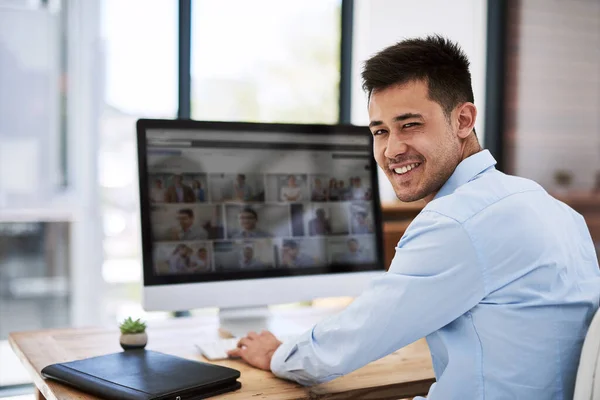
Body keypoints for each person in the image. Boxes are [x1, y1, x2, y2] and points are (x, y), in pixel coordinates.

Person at [226, 35, 600, 399]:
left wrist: (277, 354)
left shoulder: (457, 222)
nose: (392, 149)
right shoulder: (554, 209)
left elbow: (348, 343)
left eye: (410, 125)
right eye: (380, 131)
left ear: (464, 120)